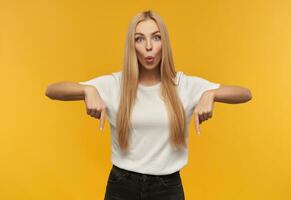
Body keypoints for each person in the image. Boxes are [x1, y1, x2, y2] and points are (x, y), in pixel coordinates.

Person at [45, 10, 252, 200]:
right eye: (139, 39)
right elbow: (52, 90)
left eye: (156, 37)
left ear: (165, 42)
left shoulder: (183, 85)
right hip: (121, 186)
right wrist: (86, 90)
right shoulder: (116, 84)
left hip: (168, 188)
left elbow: (245, 93)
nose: (149, 47)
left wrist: (211, 93)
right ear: (131, 45)